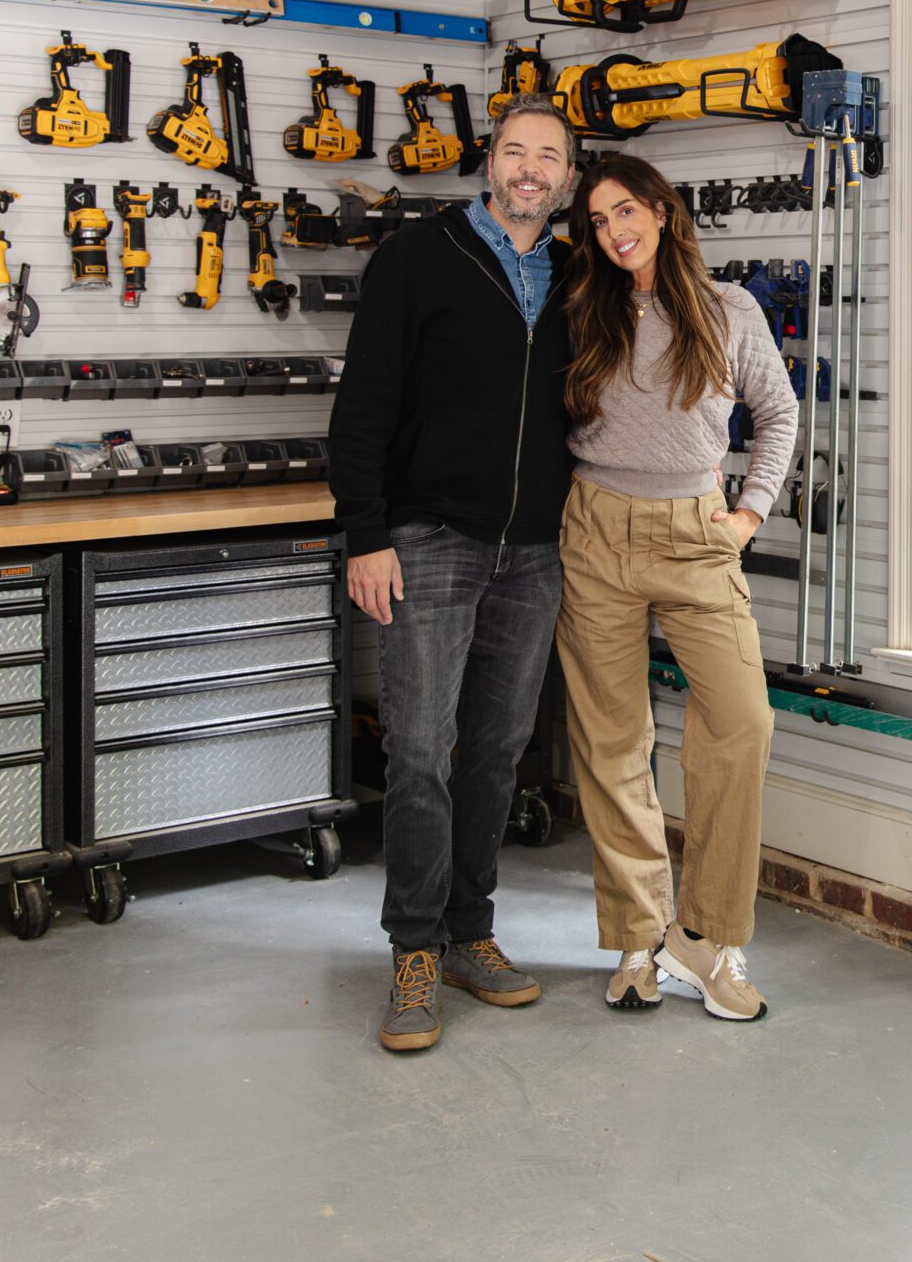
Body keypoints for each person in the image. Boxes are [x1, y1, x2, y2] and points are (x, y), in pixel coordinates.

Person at [327, 95, 577, 1053]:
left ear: (565, 177)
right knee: (421, 749)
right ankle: (414, 951)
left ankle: (472, 930)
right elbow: (363, 409)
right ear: (489, 162)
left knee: (496, 749)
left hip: (535, 550)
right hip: (426, 539)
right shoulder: (415, 258)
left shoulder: (574, 274)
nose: (528, 169)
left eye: (546, 156)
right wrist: (367, 532)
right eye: (515, 150)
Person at [558, 153, 799, 1021]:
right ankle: (636, 937)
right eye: (597, 220)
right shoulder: (582, 308)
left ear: (662, 211)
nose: (615, 231)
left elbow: (779, 414)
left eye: (626, 211)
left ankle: (704, 940)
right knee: (613, 738)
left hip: (699, 533)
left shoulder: (730, 310)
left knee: (742, 721)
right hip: (597, 530)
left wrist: (749, 514)